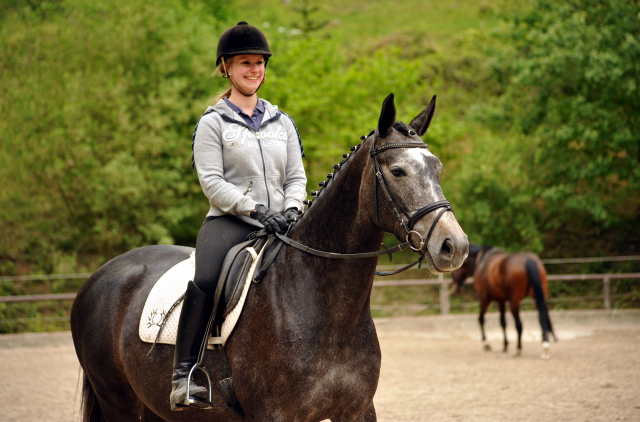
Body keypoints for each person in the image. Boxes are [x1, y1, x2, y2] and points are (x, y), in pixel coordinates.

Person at [170, 21, 307, 411]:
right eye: (245, 63)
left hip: (283, 221)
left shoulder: (283, 123)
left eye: (260, 63)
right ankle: (185, 375)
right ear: (226, 68)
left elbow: (296, 176)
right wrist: (256, 209)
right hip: (231, 222)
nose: (255, 70)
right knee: (208, 278)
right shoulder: (212, 123)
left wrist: (293, 208)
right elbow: (212, 183)